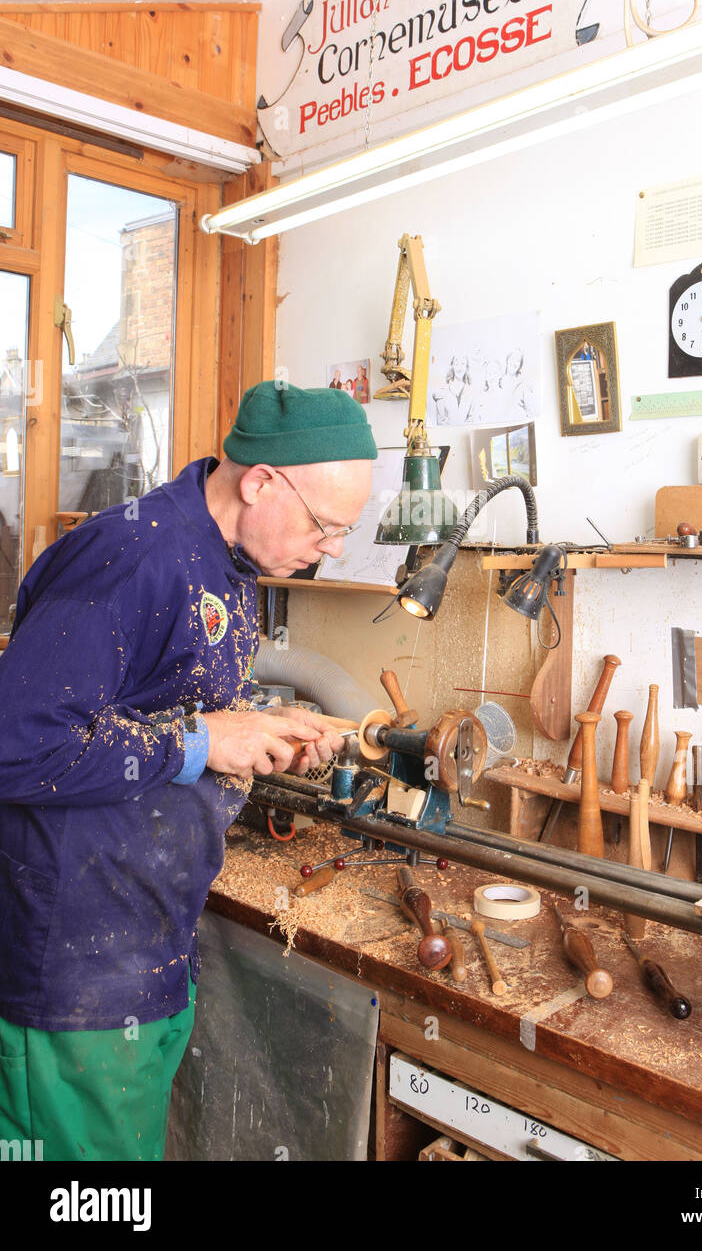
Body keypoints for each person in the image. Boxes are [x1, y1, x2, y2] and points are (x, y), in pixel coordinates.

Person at [0, 380, 376, 1161]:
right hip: (75, 965)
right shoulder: (133, 553)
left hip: (149, 943)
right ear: (261, 481)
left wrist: (260, 730)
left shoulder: (227, 563)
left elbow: (163, 702)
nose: (333, 547)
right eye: (327, 525)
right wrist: (203, 744)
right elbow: (18, 742)